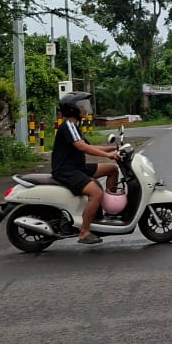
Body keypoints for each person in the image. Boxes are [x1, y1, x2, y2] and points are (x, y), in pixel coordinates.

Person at [51, 93, 120, 244]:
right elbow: (82, 147)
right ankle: (84, 232)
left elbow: (89, 146)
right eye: (81, 106)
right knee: (96, 192)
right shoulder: (68, 125)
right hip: (66, 171)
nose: (84, 109)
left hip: (77, 167)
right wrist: (107, 155)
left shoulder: (74, 126)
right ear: (72, 109)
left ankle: (109, 211)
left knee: (112, 170)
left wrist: (113, 149)